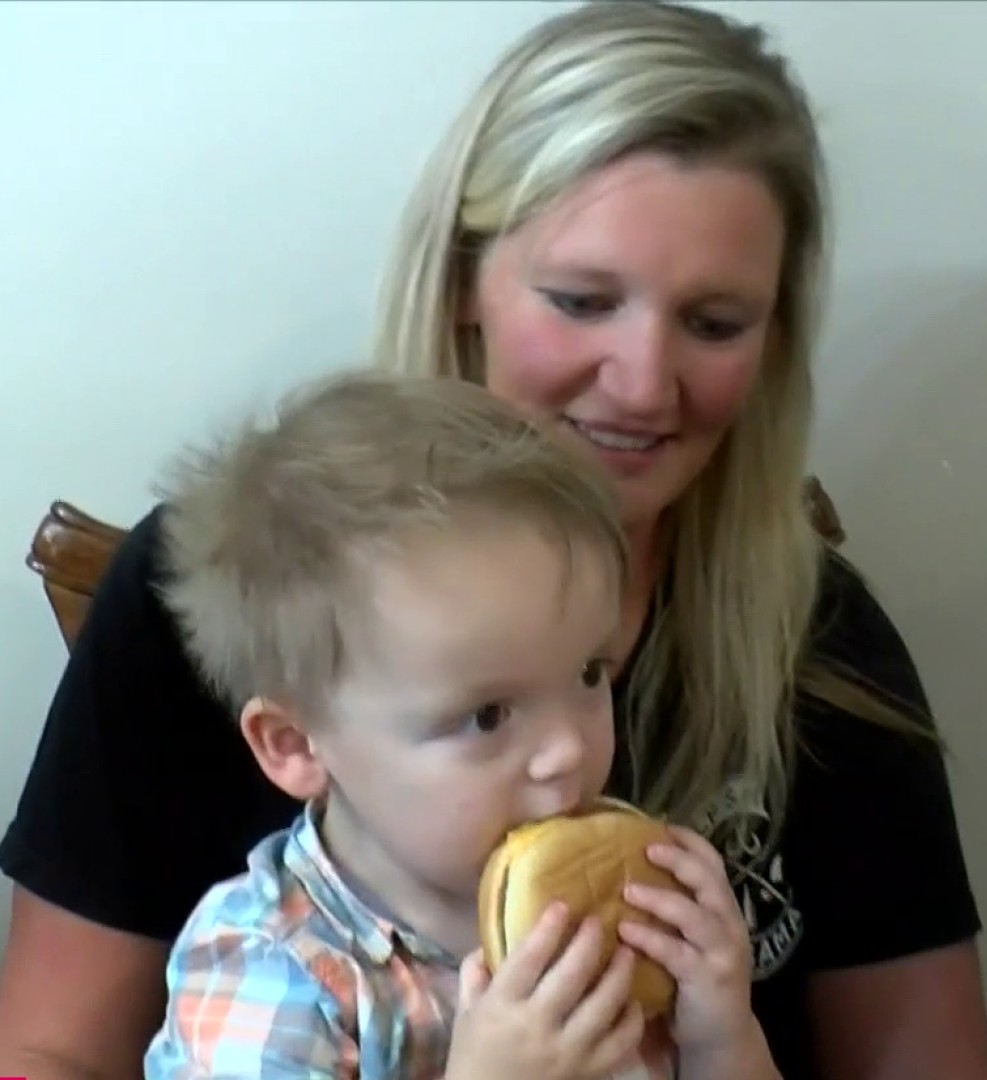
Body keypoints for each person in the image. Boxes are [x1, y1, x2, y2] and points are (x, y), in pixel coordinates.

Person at [0, 3, 987, 1079]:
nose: (642, 381)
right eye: (580, 299)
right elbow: (47, 1050)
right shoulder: (223, 612)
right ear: (465, 282)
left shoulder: (819, 644)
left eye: (714, 323)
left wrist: (724, 1030)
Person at [143, 369, 758, 1080]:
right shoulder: (277, 972)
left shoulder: (616, 911)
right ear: (297, 745)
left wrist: (721, 1036)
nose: (566, 751)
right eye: (487, 715)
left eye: (590, 673)